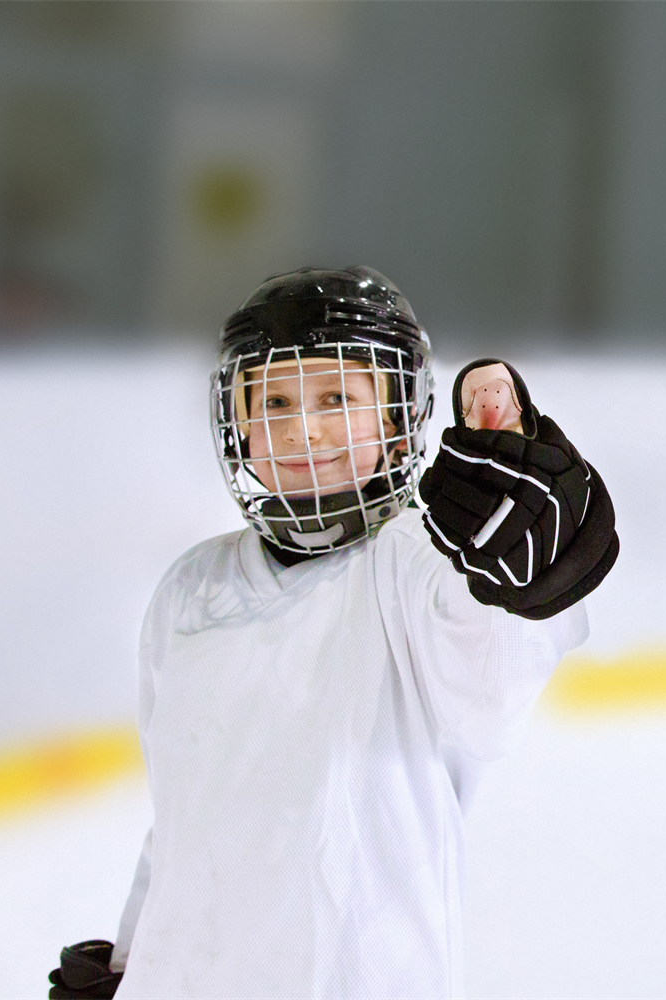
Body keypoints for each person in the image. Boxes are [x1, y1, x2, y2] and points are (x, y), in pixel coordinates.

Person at [47, 266, 617, 999]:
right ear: (237, 420)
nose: (301, 428)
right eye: (274, 399)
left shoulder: (414, 565)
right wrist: (129, 963)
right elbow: (180, 825)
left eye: (337, 398)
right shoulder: (190, 590)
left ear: (395, 418)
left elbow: (490, 700)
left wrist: (509, 582)